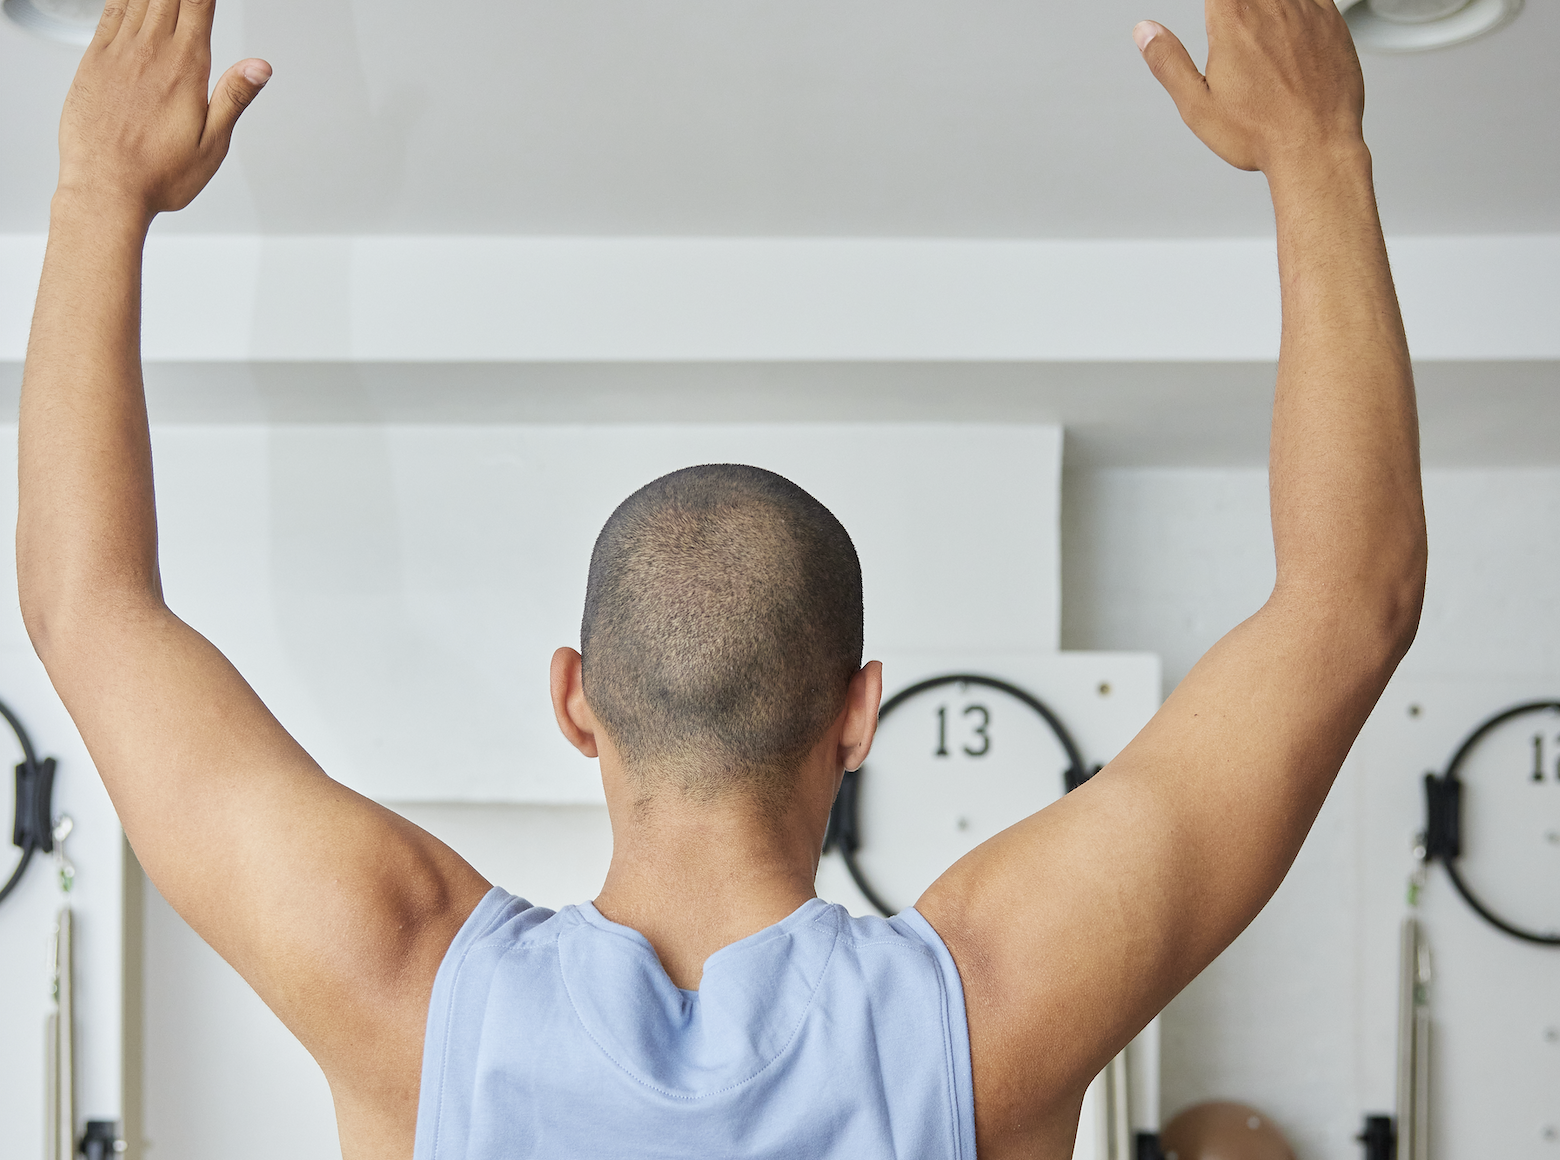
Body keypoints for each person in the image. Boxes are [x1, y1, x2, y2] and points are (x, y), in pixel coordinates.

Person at [17, 0, 1425, 1157]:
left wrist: (95, 189)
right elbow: (1348, 603)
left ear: (575, 701)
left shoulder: (407, 987)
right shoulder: (989, 1007)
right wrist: (1319, 146)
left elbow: (87, 609)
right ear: (859, 714)